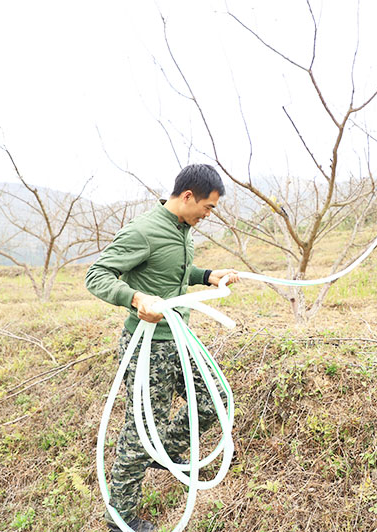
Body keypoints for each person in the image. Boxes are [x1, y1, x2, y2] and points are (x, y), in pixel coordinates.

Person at [85, 164, 240, 532]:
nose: (208, 214)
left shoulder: (182, 229)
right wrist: (136, 298)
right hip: (147, 348)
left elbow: (170, 269)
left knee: (213, 402)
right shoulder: (143, 231)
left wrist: (207, 276)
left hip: (180, 339)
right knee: (139, 431)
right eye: (208, 207)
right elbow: (97, 275)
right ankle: (119, 517)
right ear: (188, 196)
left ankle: (166, 449)